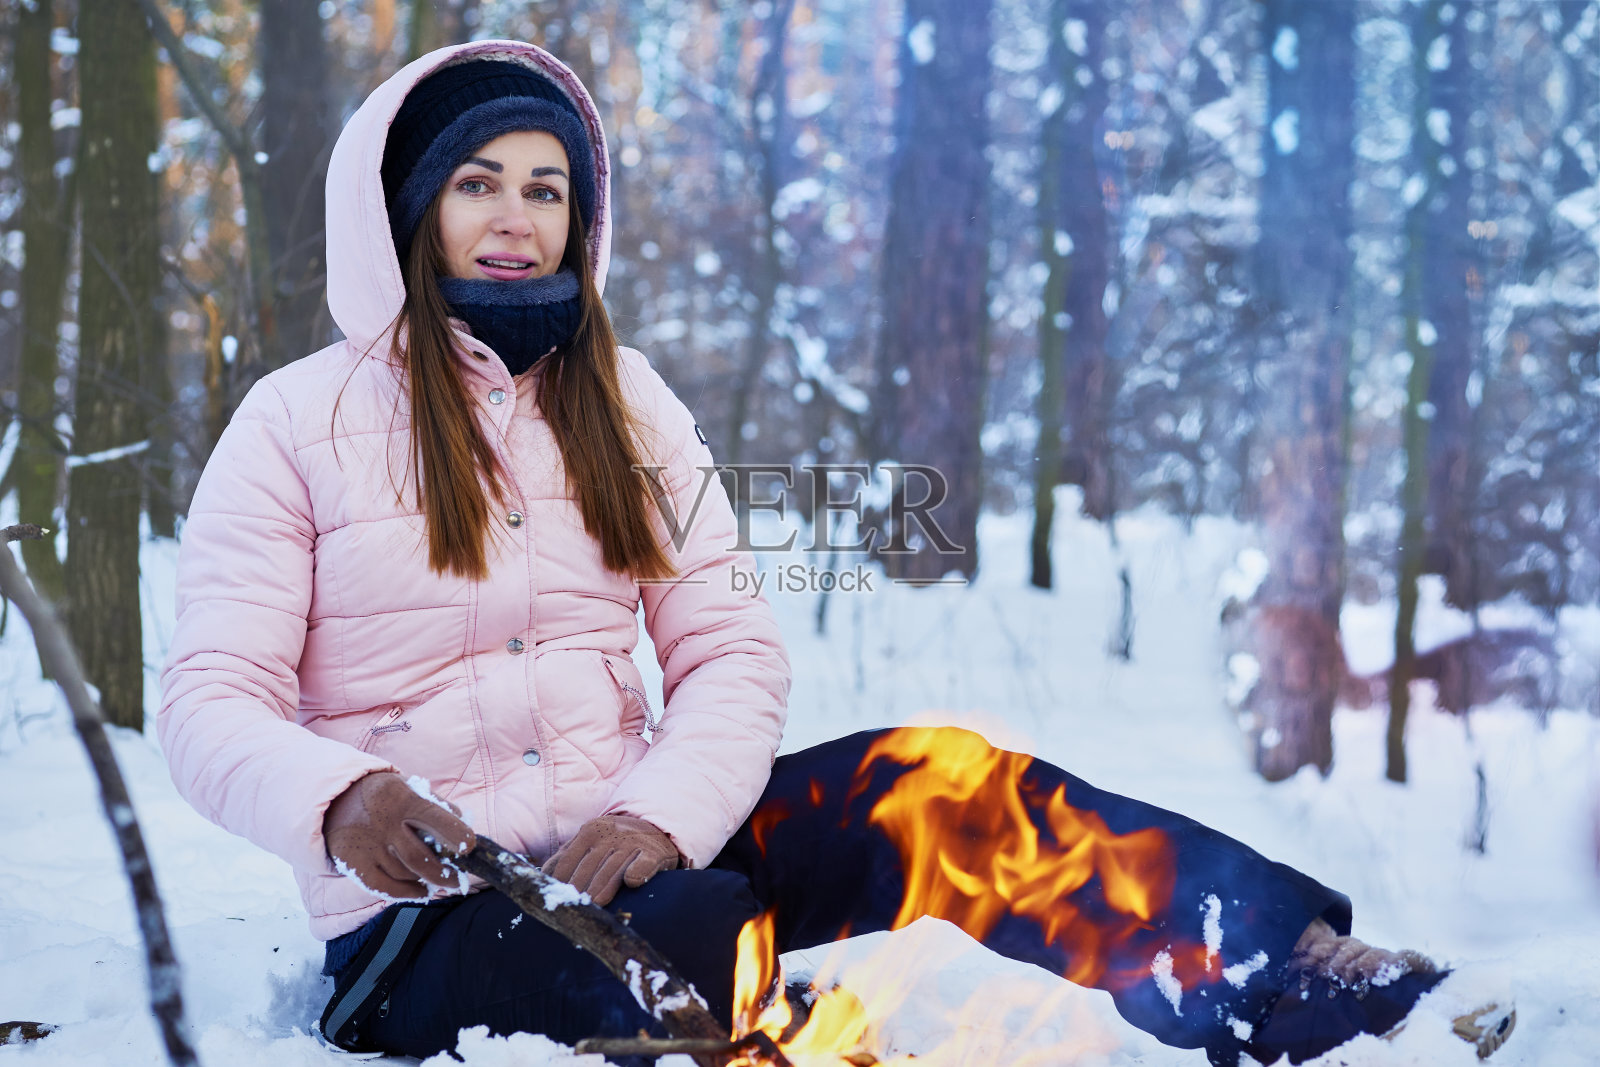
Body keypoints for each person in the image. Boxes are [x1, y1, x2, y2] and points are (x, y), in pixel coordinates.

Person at [157, 40, 1511, 1067]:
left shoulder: (626, 405)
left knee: (941, 787)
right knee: (702, 956)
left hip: (643, 851)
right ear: (408, 207)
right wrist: (342, 799)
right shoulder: (294, 423)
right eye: (477, 184)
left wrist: (662, 815)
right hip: (430, 930)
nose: (516, 217)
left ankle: (1284, 971)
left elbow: (730, 652)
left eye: (545, 188)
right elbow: (210, 698)